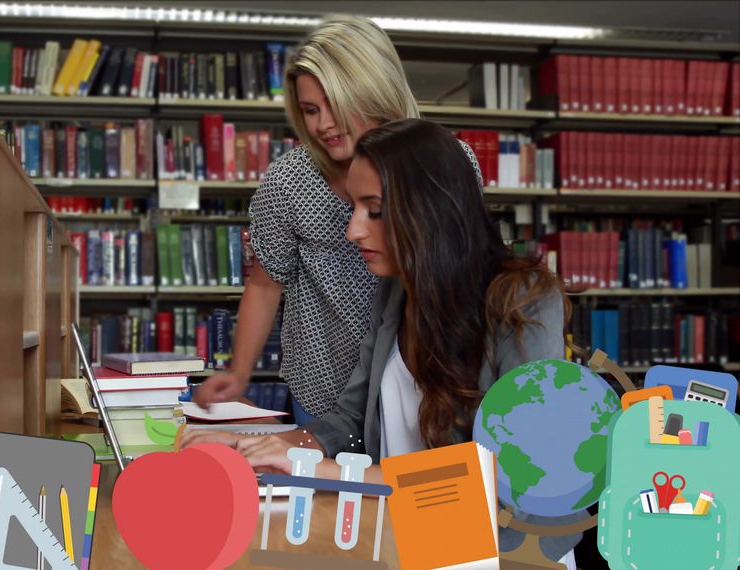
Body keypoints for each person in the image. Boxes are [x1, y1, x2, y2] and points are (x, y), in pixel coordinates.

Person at [183, 119, 584, 564]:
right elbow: (351, 418)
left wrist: (328, 470)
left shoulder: (526, 299)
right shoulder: (398, 290)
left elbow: (515, 475)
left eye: (373, 210)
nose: (353, 230)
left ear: (430, 209)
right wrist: (259, 449)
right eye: (354, 206)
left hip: (503, 553)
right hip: (407, 537)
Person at [192, 15, 420, 424]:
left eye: (336, 104)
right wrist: (239, 373)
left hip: (416, 383)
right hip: (322, 387)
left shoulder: (439, 165)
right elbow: (264, 283)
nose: (324, 125)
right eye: (310, 110)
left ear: (374, 91)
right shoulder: (289, 181)